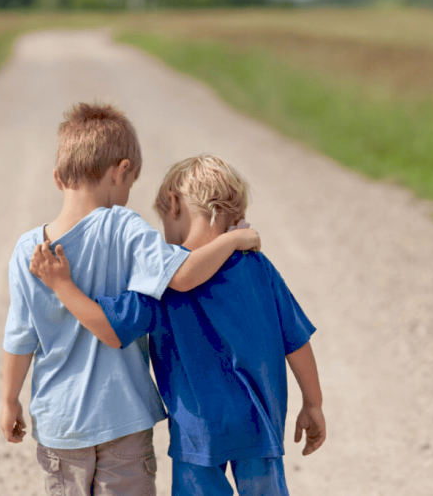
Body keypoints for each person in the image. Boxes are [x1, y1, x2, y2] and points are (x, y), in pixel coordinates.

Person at [1, 104, 261, 496]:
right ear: (120, 171)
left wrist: (9, 400)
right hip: (122, 418)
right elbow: (186, 275)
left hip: (60, 423)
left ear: (58, 178)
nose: (126, 195)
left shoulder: (28, 250)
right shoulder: (125, 228)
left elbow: (20, 338)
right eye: (130, 183)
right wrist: (235, 239)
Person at [30, 155, 325, 496]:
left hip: (198, 434)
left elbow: (109, 329)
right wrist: (313, 403)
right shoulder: (257, 266)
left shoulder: (161, 282)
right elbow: (296, 341)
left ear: (173, 205)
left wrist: (62, 286)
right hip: (260, 428)